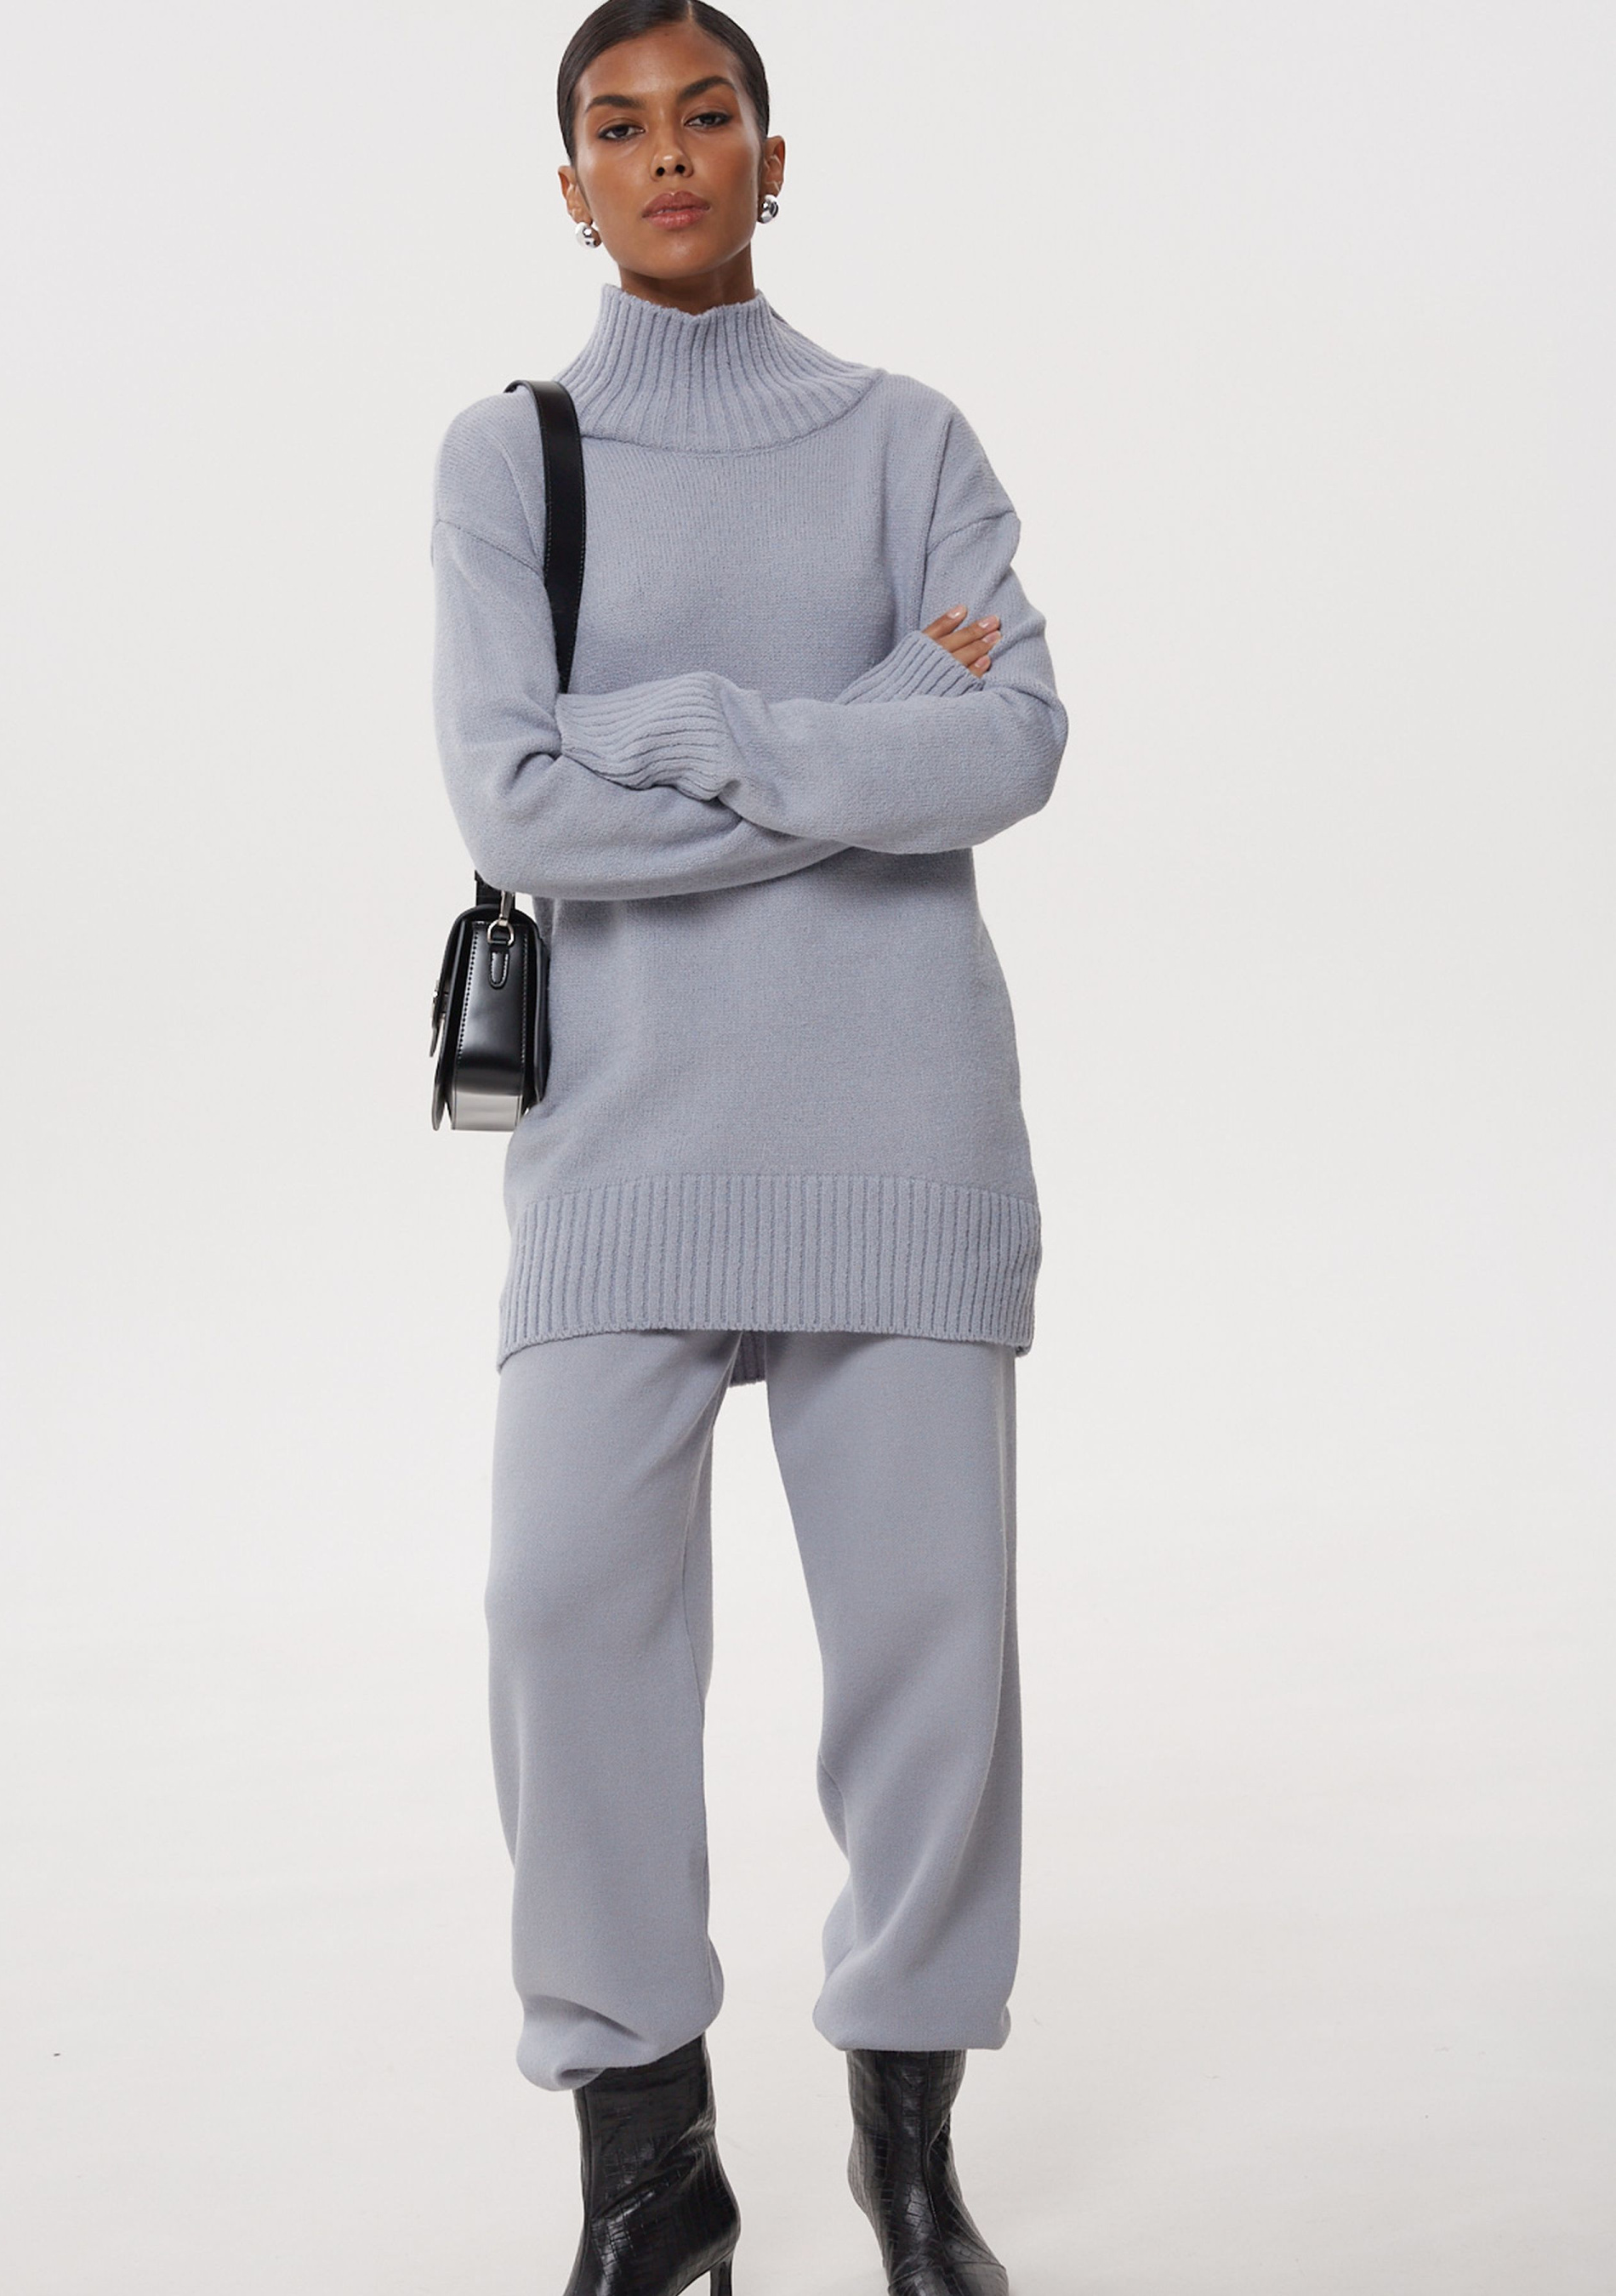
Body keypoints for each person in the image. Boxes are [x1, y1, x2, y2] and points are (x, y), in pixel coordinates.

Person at [430, 4, 1069, 2289]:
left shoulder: (909, 438)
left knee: (932, 1651)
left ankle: (907, 2137)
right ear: (572, 186)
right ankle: (647, 2155)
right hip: (620, 1144)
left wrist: (687, 733)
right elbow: (515, 804)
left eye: (707, 114)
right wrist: (868, 725)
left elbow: (1013, 741)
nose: (668, 151)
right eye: (618, 126)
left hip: (898, 1127)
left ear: (771, 158)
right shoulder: (509, 461)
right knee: (557, 1610)